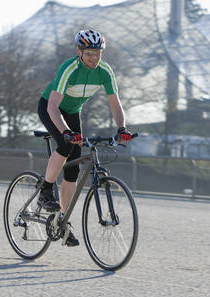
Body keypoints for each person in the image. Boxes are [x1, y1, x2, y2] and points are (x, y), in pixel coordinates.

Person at [37, 29, 133, 247]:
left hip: (72, 112)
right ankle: (45, 189)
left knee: (73, 170)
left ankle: (62, 221)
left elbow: (115, 104)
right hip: (51, 108)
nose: (94, 57)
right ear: (79, 51)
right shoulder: (69, 68)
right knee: (65, 144)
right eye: (89, 53)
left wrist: (122, 128)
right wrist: (64, 131)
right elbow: (53, 106)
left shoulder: (105, 71)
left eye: (98, 53)